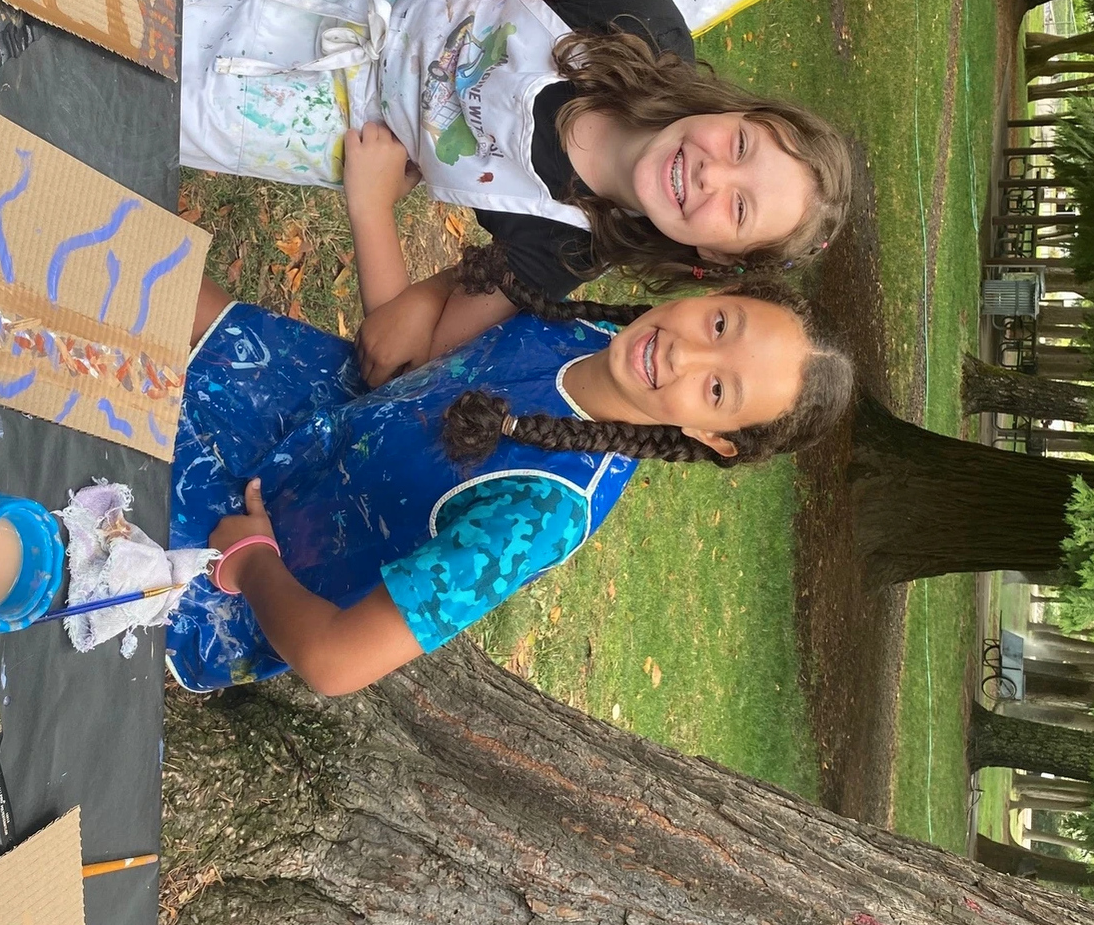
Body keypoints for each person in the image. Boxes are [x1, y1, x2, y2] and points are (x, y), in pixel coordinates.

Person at [179, 0, 853, 381]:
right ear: (735, 110)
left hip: (285, 115)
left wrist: (371, 207)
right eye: (740, 146)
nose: (713, 176)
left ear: (712, 255)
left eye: (738, 210)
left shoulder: (564, 247)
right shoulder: (635, 16)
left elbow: (402, 357)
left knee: (121, 86)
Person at [166, 244, 854, 695]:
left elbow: (335, 662)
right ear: (721, 289)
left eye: (716, 391)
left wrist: (251, 561)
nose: (683, 356)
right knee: (141, 269)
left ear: (713, 437)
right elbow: (416, 346)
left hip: (255, 568)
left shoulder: (542, 511)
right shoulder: (592, 329)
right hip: (310, 413)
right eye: (722, 327)